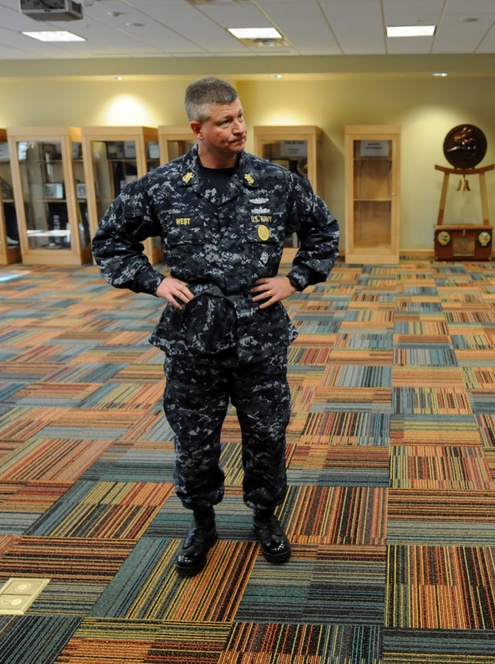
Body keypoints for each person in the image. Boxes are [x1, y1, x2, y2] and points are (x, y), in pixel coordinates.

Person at [92, 76, 339, 577]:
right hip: (192, 339)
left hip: (259, 335)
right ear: (197, 127)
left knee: (267, 434)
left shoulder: (276, 181)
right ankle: (201, 523)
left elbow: (323, 231)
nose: (238, 128)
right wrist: (154, 282)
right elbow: (110, 242)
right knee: (194, 438)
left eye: (241, 116)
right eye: (225, 121)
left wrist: (296, 279)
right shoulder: (161, 186)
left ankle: (265, 516)